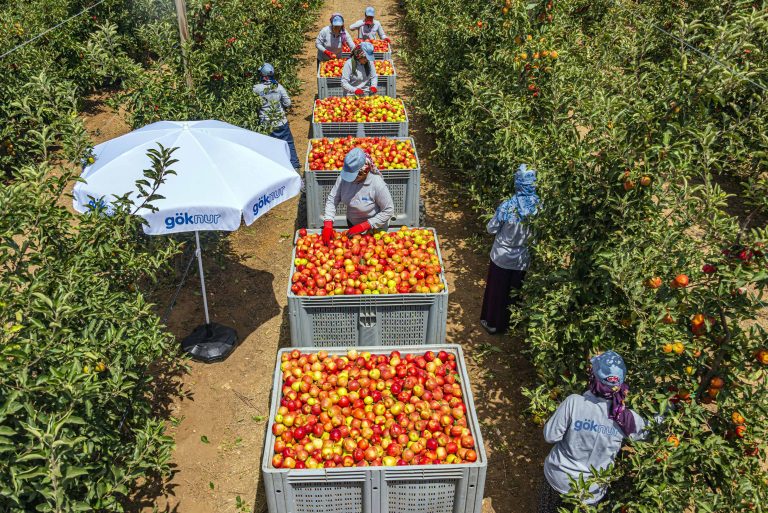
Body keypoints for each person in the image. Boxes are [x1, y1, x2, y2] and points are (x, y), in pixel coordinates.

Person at [538, 351, 648, 512]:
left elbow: (550, 436)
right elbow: (650, 432)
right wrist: (670, 409)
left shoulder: (574, 402)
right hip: (590, 491)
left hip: (559, 478)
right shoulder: (626, 418)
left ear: (593, 378)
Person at [480, 164, 539, 335]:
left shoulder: (508, 207)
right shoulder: (539, 207)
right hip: (522, 258)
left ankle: (492, 324)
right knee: (514, 292)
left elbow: (491, 228)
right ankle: (510, 325)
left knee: (497, 292)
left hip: (502, 256)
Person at [322, 147, 394, 244]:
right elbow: (332, 200)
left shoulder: (376, 183)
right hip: (353, 225)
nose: (351, 179)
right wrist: (328, 223)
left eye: (355, 175)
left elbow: (388, 210)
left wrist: (365, 225)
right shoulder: (343, 179)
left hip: (375, 229)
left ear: (365, 171)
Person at [252, 63, 300, 171]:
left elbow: (253, 104)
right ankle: (296, 170)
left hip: (266, 123)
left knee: (270, 148)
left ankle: (276, 171)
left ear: (263, 76)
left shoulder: (256, 89)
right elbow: (287, 103)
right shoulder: (278, 87)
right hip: (281, 121)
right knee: (289, 144)